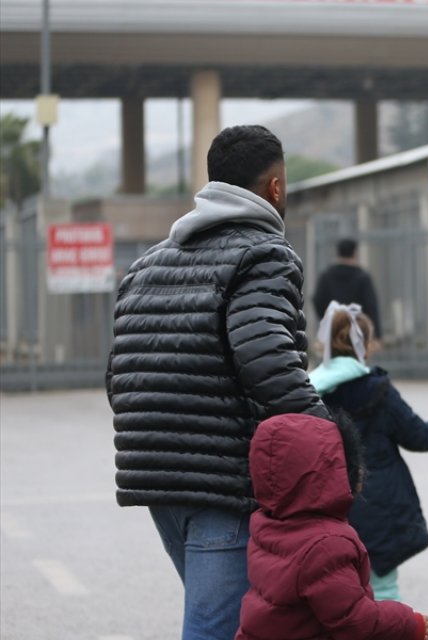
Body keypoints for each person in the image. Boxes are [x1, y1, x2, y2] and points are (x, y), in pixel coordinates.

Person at [106, 124, 329, 640]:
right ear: (275, 187)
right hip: (222, 479)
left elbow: (119, 374)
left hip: (155, 470)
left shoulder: (146, 264)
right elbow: (264, 353)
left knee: (229, 620)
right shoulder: (264, 253)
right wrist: (327, 431)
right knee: (216, 629)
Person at [309, 301, 428, 601]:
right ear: (365, 345)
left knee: (335, 595)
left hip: (326, 508)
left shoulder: (307, 392)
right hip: (379, 505)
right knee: (382, 591)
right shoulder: (378, 391)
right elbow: (418, 435)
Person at [235, 413, 428, 640]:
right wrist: (408, 623)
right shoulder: (327, 545)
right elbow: (355, 620)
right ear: (328, 473)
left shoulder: (267, 524)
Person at [314, 237, 382, 338]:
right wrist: (377, 334)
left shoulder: (326, 276)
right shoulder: (362, 277)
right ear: (355, 253)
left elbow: (317, 300)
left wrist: (327, 319)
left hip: (333, 329)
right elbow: (371, 305)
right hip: (358, 330)